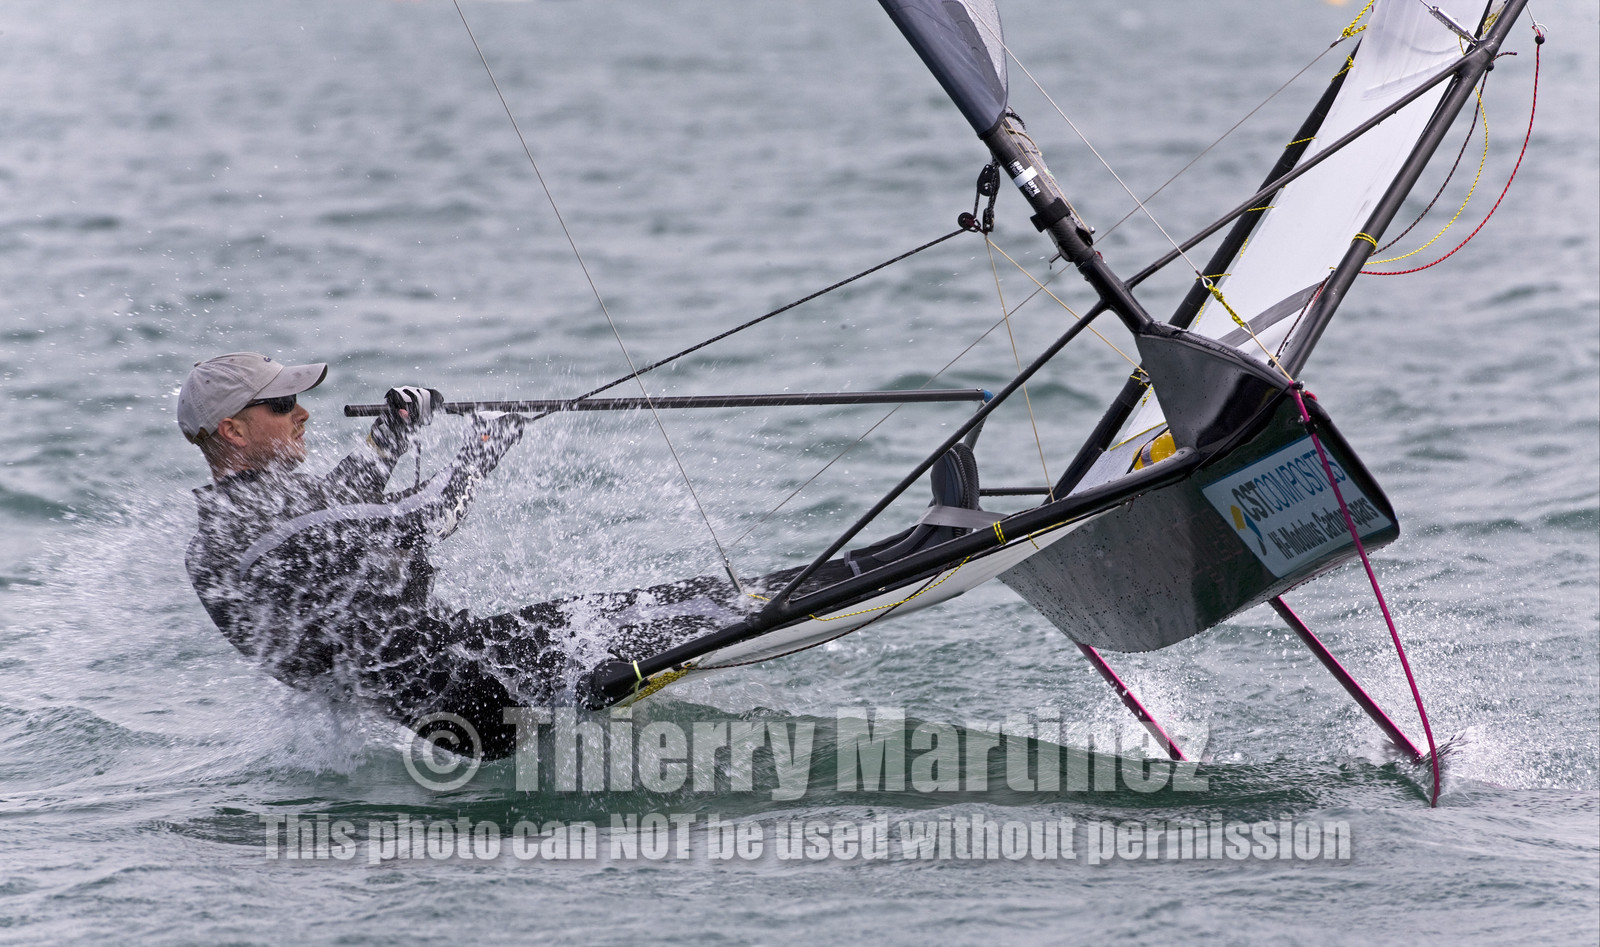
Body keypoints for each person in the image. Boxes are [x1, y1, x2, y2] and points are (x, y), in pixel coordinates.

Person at [178, 352, 752, 760]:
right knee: (674, 612)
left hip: (451, 687)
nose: (301, 413)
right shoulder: (265, 521)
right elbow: (430, 514)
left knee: (616, 612)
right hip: (480, 696)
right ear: (232, 428)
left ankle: (728, 612)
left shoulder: (226, 526)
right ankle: (748, 612)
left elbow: (342, 512)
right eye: (281, 405)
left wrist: (392, 434)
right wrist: (483, 446)